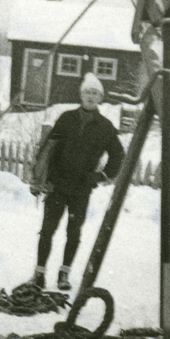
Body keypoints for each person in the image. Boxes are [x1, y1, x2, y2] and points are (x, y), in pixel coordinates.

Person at [31, 72, 125, 291]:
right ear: (81, 95)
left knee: (73, 233)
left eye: (95, 93)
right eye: (87, 92)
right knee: (47, 230)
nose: (91, 97)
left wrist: (99, 177)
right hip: (57, 185)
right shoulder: (66, 118)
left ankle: (64, 275)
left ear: (100, 98)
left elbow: (118, 155)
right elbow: (48, 148)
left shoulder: (105, 126)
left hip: (81, 189)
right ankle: (39, 275)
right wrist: (41, 177)